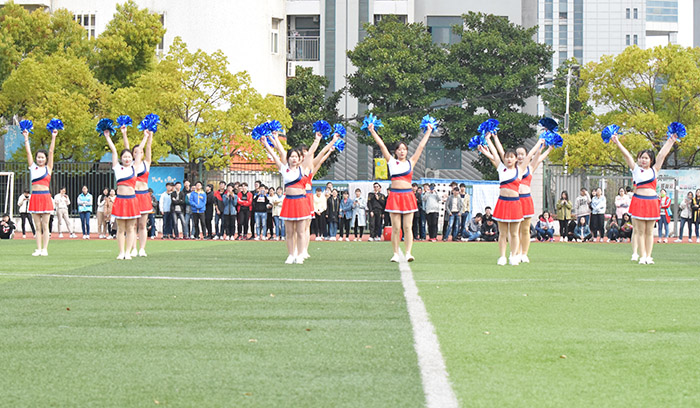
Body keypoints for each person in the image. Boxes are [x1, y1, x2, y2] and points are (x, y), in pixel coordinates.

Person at [368, 120, 432, 262]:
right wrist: (372, 131)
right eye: (399, 149)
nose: (402, 151)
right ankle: (396, 253)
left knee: (408, 227)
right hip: (395, 196)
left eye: (404, 149)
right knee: (396, 228)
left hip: (408, 196)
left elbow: (421, 147)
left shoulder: (411, 162)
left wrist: (428, 131)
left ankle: (408, 253)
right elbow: (382, 145)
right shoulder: (391, 161)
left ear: (407, 151)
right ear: (396, 151)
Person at [611, 130, 678, 264]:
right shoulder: (635, 169)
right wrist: (617, 142)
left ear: (651, 160)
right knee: (640, 231)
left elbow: (662, 155)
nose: (643, 160)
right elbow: (627, 155)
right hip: (639, 201)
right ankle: (642, 256)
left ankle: (648, 256)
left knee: (649, 232)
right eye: (641, 157)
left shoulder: (654, 170)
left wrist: (671, 141)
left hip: (652, 202)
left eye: (646, 158)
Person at [492, 135, 551, 262]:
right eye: (517, 154)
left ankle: (523, 253)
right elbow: (500, 153)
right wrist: (494, 138)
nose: (519, 156)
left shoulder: (528, 167)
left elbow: (536, 156)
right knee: (513, 230)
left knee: (525, 229)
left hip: (525, 199)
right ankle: (514, 253)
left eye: (522, 154)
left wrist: (545, 147)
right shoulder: (508, 168)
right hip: (513, 200)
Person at [477, 131, 523, 266]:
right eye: (507, 157)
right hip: (502, 202)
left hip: (515, 204)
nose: (509, 159)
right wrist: (489, 139)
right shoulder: (501, 168)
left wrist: (495, 137)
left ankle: (513, 256)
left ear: (516, 159)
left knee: (514, 233)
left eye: (512, 157)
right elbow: (497, 154)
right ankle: (502, 256)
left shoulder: (520, 170)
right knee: (502, 233)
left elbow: (501, 151)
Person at [103, 126, 144, 260]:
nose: (127, 159)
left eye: (129, 157)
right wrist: (107, 137)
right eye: (124, 157)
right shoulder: (117, 168)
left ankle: (128, 252)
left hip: (132, 200)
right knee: (120, 228)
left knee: (131, 228)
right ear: (121, 158)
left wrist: (145, 136)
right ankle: (121, 252)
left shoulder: (134, 167)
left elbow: (139, 152)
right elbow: (114, 150)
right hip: (120, 200)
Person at [23, 125, 57, 255]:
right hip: (35, 197)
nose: (40, 159)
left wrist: (53, 137)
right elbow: (28, 153)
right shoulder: (33, 167)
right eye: (38, 157)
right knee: (37, 226)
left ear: (46, 159)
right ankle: (38, 248)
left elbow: (51, 151)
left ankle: (45, 249)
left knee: (45, 225)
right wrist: (26, 138)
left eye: (42, 157)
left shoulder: (48, 168)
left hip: (45, 197)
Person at [122, 125, 153, 256]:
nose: (137, 153)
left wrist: (150, 134)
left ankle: (142, 249)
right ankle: (133, 248)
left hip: (144, 195)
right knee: (132, 225)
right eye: (135, 152)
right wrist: (124, 134)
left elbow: (148, 147)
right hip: (133, 196)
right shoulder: (131, 166)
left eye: (139, 152)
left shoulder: (146, 163)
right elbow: (126, 147)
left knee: (142, 225)